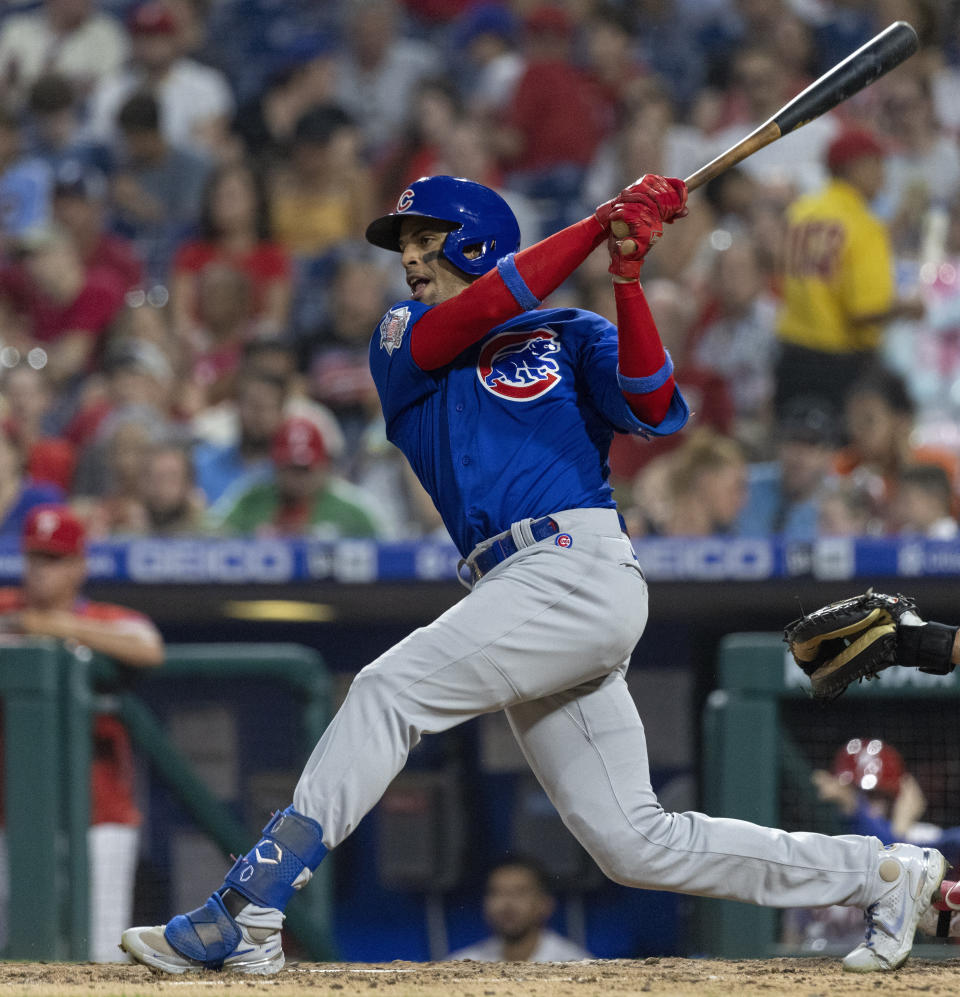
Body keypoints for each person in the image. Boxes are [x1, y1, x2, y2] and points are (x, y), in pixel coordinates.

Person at [121, 174, 946, 976]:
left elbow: (656, 405)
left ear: (477, 238)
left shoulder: (565, 329)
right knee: (633, 840)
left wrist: (626, 275)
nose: (407, 256)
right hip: (513, 583)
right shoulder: (403, 334)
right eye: (403, 241)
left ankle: (251, 906)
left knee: (385, 689)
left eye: (424, 237)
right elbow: (478, 313)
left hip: (573, 564)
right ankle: (880, 875)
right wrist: (596, 226)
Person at [0, 504, 164, 961]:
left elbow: (149, 646)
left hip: (100, 813)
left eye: (54, 560)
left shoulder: (103, 618)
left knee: (100, 949)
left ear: (79, 566)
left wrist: (60, 627)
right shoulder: (7, 607)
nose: (41, 573)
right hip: (10, 815)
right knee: (11, 954)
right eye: (35, 559)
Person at [773, 125, 925, 417]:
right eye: (877, 164)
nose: (883, 175)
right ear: (854, 167)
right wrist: (907, 309)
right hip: (839, 364)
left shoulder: (800, 212)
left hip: (791, 356)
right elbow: (862, 311)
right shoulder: (864, 225)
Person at [210, 416, 382, 539]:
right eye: (290, 468)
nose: (297, 478)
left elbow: (387, 550)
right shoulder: (250, 497)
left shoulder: (353, 507)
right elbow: (212, 534)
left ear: (323, 467)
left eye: (305, 469)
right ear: (276, 466)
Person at [447, 858, 592, 963]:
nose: (506, 904)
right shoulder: (462, 963)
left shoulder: (575, 963)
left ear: (545, 904)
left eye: (519, 893)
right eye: (497, 893)